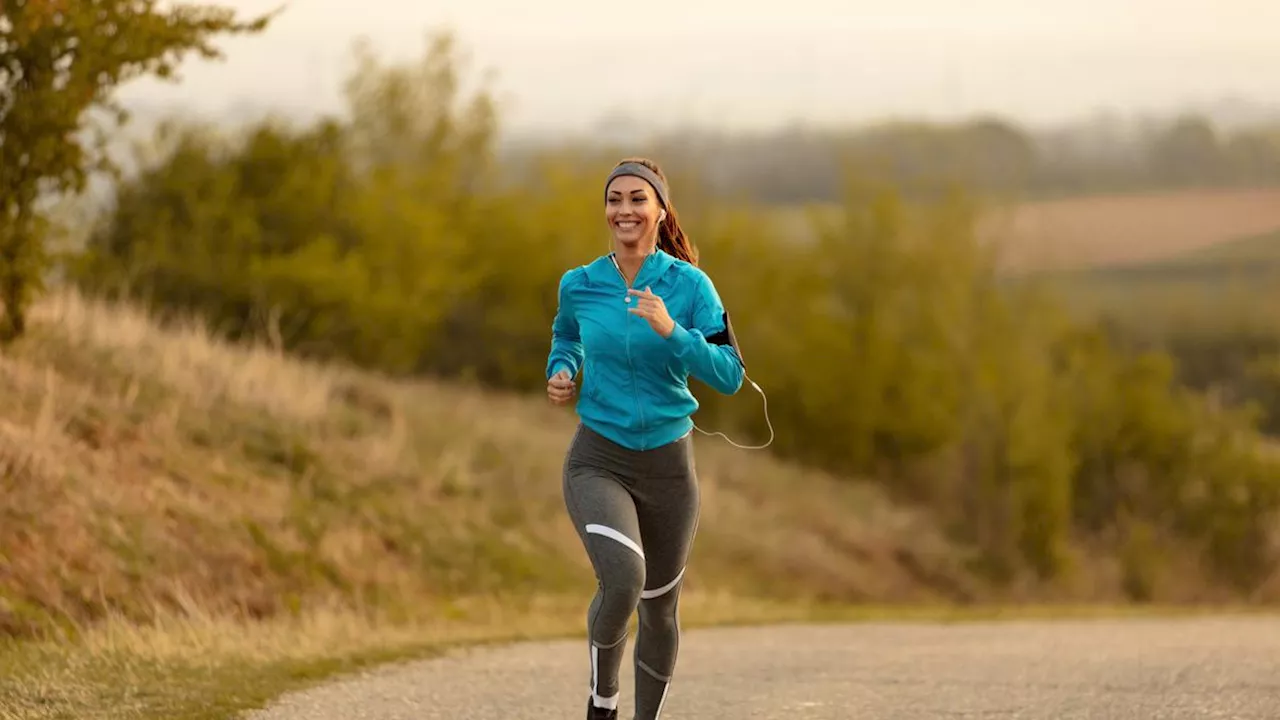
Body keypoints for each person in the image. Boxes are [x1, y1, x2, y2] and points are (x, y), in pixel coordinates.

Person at [545, 157, 746, 720]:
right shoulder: (580, 284)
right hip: (598, 458)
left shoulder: (690, 287)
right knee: (624, 577)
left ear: (660, 210)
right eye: (615, 200)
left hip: (669, 469)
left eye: (638, 199)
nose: (624, 210)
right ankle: (602, 700)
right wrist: (562, 369)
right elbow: (566, 337)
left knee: (660, 609)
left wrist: (673, 331)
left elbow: (730, 374)